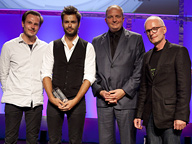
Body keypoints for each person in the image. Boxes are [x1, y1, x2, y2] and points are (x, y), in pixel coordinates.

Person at [41, 6, 96, 144]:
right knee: (53, 140)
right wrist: (52, 98)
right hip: (55, 100)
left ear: (78, 23)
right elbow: (46, 74)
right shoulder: (52, 46)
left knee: (75, 140)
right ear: (62, 23)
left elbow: (89, 76)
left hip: (77, 101)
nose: (69, 25)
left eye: (73, 22)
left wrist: (75, 100)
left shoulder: (87, 47)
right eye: (66, 22)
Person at [92, 5, 145, 144]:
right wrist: (101, 91)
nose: (114, 20)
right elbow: (92, 71)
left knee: (128, 141)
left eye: (117, 16)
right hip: (104, 101)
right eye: (110, 17)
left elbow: (139, 71)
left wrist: (124, 91)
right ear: (105, 20)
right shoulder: (96, 41)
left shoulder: (136, 39)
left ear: (123, 18)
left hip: (127, 100)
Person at [134, 16, 191, 144]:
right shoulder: (147, 56)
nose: (151, 33)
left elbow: (184, 87)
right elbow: (144, 88)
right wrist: (139, 114)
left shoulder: (178, 51)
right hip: (150, 117)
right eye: (148, 31)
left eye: (154, 29)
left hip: (171, 117)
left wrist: (181, 116)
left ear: (164, 29)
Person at [0, 10, 48, 143]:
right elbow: (3, 73)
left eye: (36, 24)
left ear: (39, 27)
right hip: (13, 99)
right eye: (29, 23)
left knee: (32, 140)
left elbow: (47, 73)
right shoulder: (9, 46)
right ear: (23, 23)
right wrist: (9, 91)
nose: (32, 26)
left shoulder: (45, 48)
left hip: (35, 100)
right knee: (10, 139)